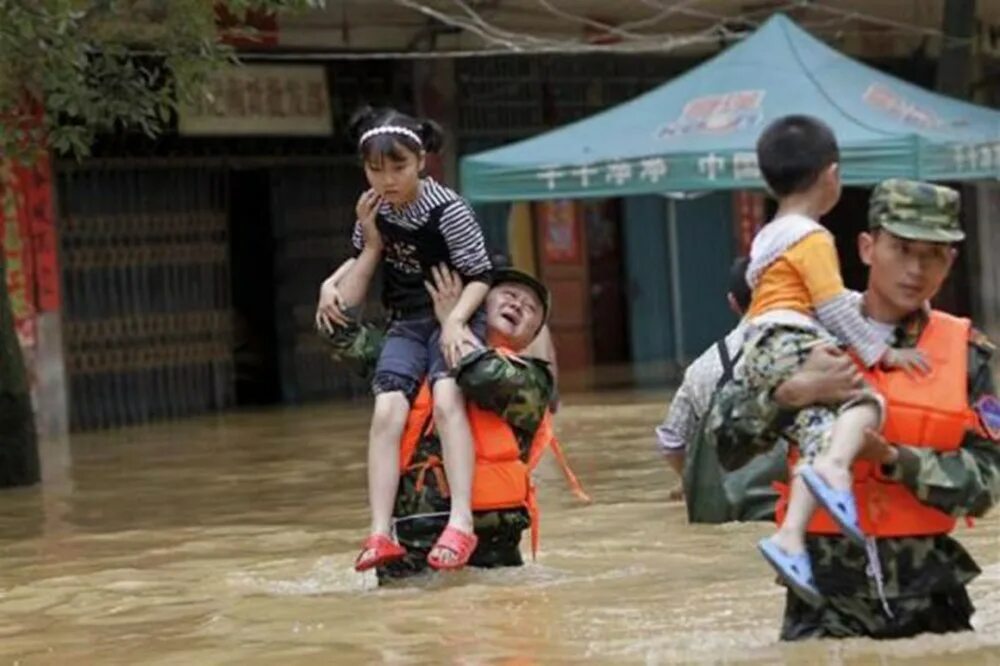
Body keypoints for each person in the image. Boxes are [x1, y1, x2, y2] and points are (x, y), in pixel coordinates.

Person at [707, 178, 1000, 639]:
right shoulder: (795, 339)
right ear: (867, 248)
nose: (916, 269)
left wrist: (890, 459)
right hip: (823, 603)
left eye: (933, 255)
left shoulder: (968, 354)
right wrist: (792, 395)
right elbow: (725, 449)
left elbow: (985, 485)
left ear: (951, 262)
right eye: (902, 249)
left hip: (931, 599)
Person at [743, 116, 926, 604]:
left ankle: (789, 537)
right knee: (865, 402)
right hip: (788, 338)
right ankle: (837, 473)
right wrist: (882, 351)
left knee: (819, 430)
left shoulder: (770, 236)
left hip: (759, 345)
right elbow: (830, 307)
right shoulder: (812, 237)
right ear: (832, 175)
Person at [320, 265, 587, 580]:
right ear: (477, 303)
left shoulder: (532, 379)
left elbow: (480, 375)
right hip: (410, 554)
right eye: (509, 296)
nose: (517, 305)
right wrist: (336, 281)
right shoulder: (409, 359)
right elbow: (338, 333)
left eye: (530, 309)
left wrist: (453, 324)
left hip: (492, 559)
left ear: (531, 335)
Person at [318, 106, 493, 573]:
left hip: (455, 315)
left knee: (446, 399)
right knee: (386, 411)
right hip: (407, 323)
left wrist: (455, 322)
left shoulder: (448, 209)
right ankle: (379, 532)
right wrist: (330, 282)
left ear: (420, 161)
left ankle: (461, 523)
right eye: (376, 170)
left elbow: (480, 275)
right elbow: (359, 262)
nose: (388, 179)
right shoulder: (371, 208)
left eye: (398, 167)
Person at [656, 257, 787, 522]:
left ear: (733, 302)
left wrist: (688, 479)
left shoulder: (701, 368)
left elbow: (670, 441)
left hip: (725, 507)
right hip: (784, 505)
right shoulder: (808, 353)